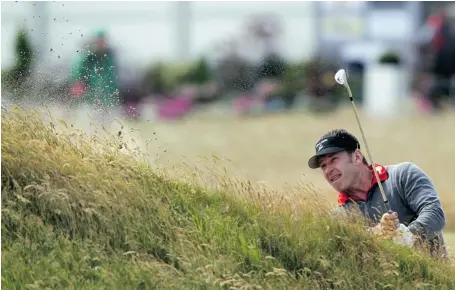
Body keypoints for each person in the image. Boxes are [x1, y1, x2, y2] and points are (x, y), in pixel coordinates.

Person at [307, 129, 449, 260]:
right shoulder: (337, 217)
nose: (328, 170)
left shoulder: (403, 175)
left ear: (356, 157)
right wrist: (375, 234)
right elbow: (344, 254)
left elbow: (435, 213)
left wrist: (406, 235)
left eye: (333, 160)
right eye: (323, 165)